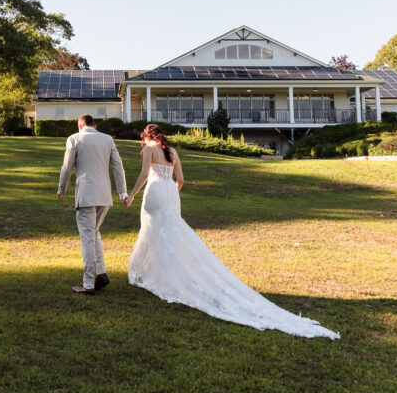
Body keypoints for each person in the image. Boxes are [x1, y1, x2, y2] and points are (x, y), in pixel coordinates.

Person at [126, 124, 339, 339]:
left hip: (155, 193)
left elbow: (145, 174)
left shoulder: (149, 150)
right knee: (172, 232)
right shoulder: (172, 152)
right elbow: (181, 179)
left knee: (153, 231)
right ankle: (163, 271)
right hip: (170, 193)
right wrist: (172, 191)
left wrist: (132, 194)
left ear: (145, 136)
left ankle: (155, 273)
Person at [57, 114, 128, 295]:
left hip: (86, 195)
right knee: (94, 234)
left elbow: (67, 166)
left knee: (87, 237)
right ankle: (101, 274)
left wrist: (61, 189)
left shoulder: (74, 139)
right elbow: (118, 166)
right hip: (104, 195)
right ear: (94, 125)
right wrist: (122, 192)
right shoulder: (108, 139)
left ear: (80, 125)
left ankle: (88, 284)